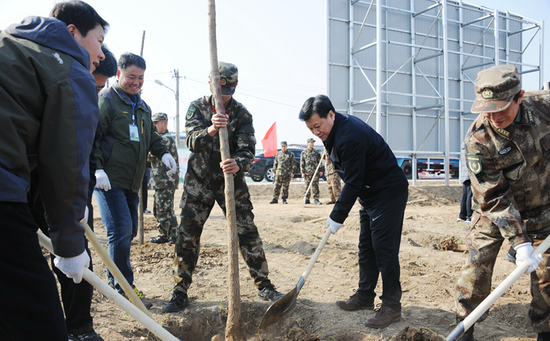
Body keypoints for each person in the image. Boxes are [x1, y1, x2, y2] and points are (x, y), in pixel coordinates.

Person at [0, 1, 108, 340]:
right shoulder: (69, 70)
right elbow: (66, 164)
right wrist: (70, 245)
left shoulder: (11, 46)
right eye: (100, 40)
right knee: (39, 316)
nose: (101, 53)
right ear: (72, 32)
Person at [162, 61, 285, 313]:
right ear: (210, 84)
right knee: (187, 236)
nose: (225, 97)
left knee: (247, 233)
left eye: (229, 92)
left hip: (231, 183)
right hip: (199, 184)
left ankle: (264, 285)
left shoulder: (242, 114)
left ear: (236, 88)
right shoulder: (197, 107)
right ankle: (180, 290)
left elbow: (248, 150)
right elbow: (192, 141)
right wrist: (211, 129)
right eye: (221, 91)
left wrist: (239, 164)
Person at [453, 64, 549, 341]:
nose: (493, 116)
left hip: (543, 204)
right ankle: (464, 327)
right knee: (476, 263)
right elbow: (493, 196)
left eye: (500, 108)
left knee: (547, 275)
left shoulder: (544, 107)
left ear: (518, 98)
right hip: (494, 210)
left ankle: (545, 331)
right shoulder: (478, 138)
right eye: (487, 109)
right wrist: (520, 242)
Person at [299, 94, 409, 329]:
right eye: (311, 129)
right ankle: (364, 296)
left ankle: (391, 305)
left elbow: (353, 180)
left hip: (387, 192)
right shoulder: (332, 132)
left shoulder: (351, 135)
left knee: (384, 249)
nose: (315, 132)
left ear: (331, 114)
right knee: (366, 247)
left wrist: (337, 215)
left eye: (317, 126)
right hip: (369, 194)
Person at [93, 52, 177, 308]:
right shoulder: (106, 100)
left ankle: (115, 280)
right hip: (109, 181)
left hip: (132, 183)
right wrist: (97, 169)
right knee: (120, 230)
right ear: (118, 74)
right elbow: (92, 136)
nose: (136, 82)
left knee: (128, 230)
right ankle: (123, 288)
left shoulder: (141, 106)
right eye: (131, 76)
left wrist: (163, 153)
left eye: (140, 78)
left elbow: (152, 136)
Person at [149, 112, 180, 244]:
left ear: (164, 123)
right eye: (153, 123)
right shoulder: (160, 137)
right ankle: (164, 234)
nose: (154, 125)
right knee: (158, 210)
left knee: (165, 210)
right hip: (160, 181)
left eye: (156, 123)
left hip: (166, 180)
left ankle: (175, 236)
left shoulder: (165, 139)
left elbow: (150, 157)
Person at [301, 138, 323, 205]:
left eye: (313, 142)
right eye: (311, 142)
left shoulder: (316, 152)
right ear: (308, 143)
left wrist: (321, 170)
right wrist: (302, 172)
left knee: (315, 186)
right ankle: (307, 199)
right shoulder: (304, 153)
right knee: (306, 186)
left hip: (315, 172)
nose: (312, 144)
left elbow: (320, 162)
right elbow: (302, 163)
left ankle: (316, 199)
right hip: (307, 172)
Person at [457, 142, 472, 223]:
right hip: (470, 173)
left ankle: (462, 216)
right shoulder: (471, 144)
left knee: (465, 195)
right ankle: (469, 216)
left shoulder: (463, 145)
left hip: (464, 174)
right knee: (469, 196)